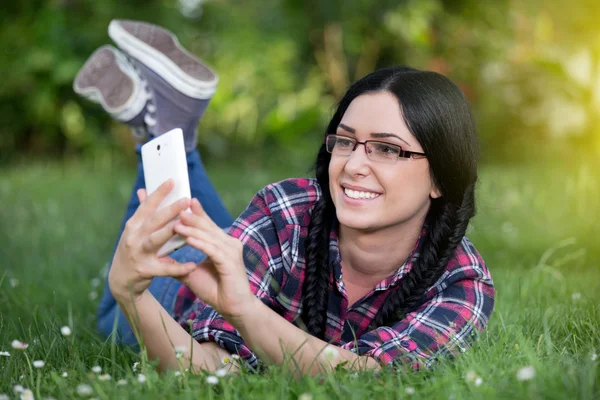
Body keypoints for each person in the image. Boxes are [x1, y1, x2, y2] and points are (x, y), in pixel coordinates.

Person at [74, 19, 495, 376]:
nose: (352, 166)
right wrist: (130, 293)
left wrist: (246, 309)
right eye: (345, 142)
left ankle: (164, 125)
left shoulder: (460, 282)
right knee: (114, 322)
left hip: (240, 274)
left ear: (441, 176)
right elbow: (210, 369)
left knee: (180, 170)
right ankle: (163, 127)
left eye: (386, 149)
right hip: (180, 287)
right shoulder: (287, 211)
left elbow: (371, 381)